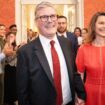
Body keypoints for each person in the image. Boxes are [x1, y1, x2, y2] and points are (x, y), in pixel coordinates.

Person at [16, 2, 86, 105]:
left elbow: (74, 72)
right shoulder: (25, 52)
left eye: (53, 16)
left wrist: (81, 94)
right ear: (36, 22)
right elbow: (22, 92)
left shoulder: (66, 43)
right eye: (44, 17)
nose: (49, 20)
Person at [76, 12, 105, 105]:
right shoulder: (83, 49)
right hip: (90, 94)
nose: (104, 26)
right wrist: (79, 96)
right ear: (94, 25)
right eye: (101, 23)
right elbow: (79, 74)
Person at [0, 24, 14, 105]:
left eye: (4, 29)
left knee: (1, 92)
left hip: (2, 70)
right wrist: (5, 54)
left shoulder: (4, 41)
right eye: (1, 29)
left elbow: (8, 59)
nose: (3, 31)